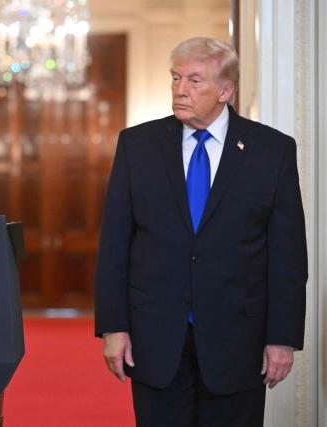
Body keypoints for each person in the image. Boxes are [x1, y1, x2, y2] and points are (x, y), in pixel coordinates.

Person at [94, 37, 307, 426]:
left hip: (238, 341)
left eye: (194, 81)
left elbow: (288, 256)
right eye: (176, 78)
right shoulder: (137, 146)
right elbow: (115, 245)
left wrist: (282, 337)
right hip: (155, 338)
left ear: (225, 90)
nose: (179, 89)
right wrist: (113, 325)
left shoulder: (272, 151)